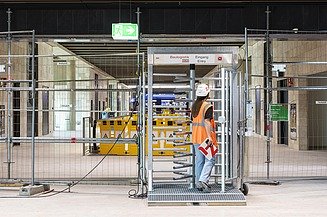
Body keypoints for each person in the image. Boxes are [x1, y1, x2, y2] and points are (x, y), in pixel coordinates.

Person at [191, 83, 217, 193]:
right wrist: (209, 137)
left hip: (196, 137)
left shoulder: (194, 106)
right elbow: (206, 122)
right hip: (205, 138)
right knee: (211, 160)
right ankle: (203, 180)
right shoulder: (207, 106)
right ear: (207, 93)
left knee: (199, 161)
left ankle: (198, 183)